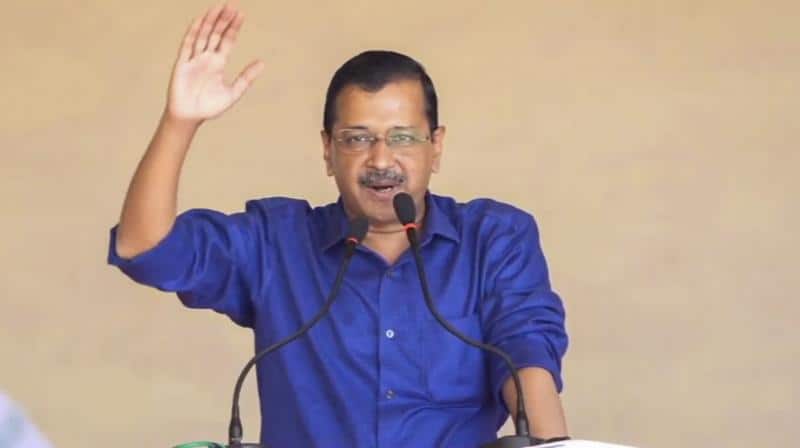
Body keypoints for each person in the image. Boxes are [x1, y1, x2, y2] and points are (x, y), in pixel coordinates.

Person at [107, 3, 569, 447]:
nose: (381, 159)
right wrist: (180, 123)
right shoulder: (276, 243)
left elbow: (526, 353)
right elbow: (145, 249)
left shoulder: (494, 238)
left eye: (403, 137)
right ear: (328, 151)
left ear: (436, 146)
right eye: (357, 139)